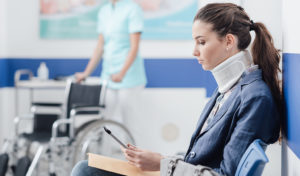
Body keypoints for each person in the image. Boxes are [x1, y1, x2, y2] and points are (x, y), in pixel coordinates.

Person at [71, 3, 281, 176]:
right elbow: (196, 158)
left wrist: (162, 164)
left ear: (228, 41)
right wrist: (161, 161)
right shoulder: (228, 90)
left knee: (84, 171)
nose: (194, 51)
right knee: (87, 168)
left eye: (201, 42)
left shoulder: (254, 97)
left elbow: (224, 174)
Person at [75, 0, 147, 133]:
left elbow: (134, 46)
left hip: (129, 78)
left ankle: (133, 153)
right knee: (104, 122)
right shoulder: (104, 11)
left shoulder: (132, 9)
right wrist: (86, 73)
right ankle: (104, 153)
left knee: (129, 124)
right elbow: (100, 46)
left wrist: (122, 73)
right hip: (108, 76)